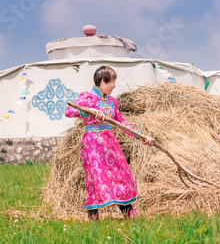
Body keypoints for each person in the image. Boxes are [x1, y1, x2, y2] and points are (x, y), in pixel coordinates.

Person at [65, 65, 154, 221]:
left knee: (120, 174)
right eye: (112, 82)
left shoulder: (112, 101)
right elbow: (69, 112)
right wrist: (89, 111)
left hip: (110, 144)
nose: (114, 85)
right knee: (96, 178)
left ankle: (128, 211)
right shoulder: (87, 97)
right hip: (93, 145)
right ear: (102, 81)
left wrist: (142, 137)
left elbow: (122, 123)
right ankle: (93, 216)